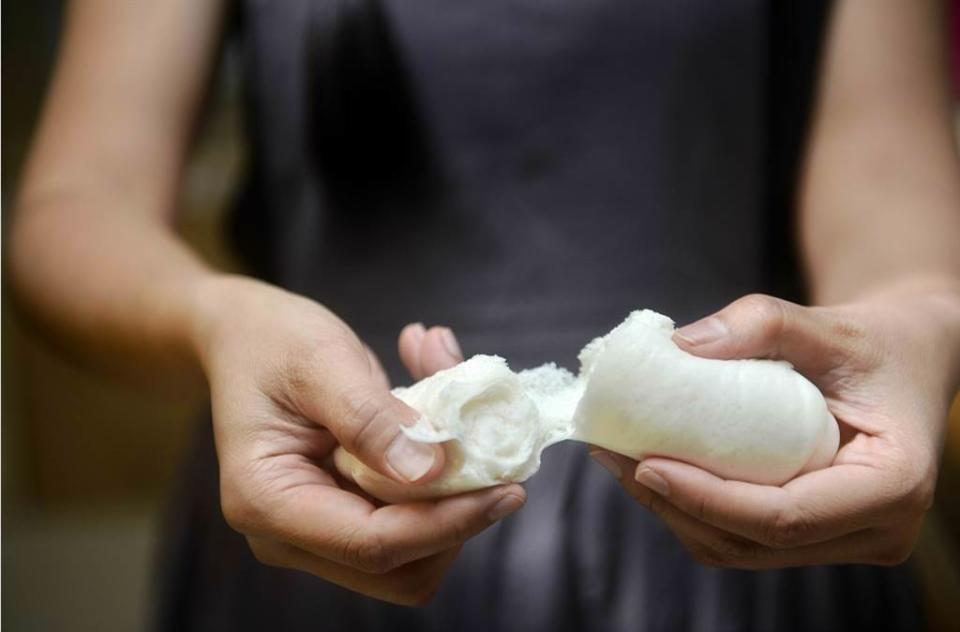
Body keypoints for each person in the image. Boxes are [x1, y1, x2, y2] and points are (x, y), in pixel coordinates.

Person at [10, 0, 960, 630]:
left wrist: (922, 323)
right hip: (325, 520)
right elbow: (75, 207)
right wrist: (215, 320)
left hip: (743, 549)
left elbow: (885, 185)